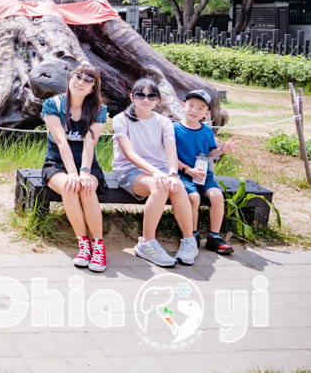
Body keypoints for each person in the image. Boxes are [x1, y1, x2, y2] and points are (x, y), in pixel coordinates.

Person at [112, 78, 197, 267]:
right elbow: (129, 153)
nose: (146, 99)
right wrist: (155, 173)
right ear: (132, 97)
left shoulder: (164, 122)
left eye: (151, 95)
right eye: (140, 94)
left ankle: (189, 241)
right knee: (159, 186)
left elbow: (170, 150)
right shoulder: (121, 120)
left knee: (177, 185)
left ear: (158, 100)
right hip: (130, 170)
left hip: (160, 170)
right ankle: (146, 243)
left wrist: (173, 173)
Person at [41, 64, 109, 272]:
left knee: (86, 187)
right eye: (77, 77)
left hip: (88, 165)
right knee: (71, 186)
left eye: (88, 80)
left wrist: (85, 172)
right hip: (57, 165)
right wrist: (72, 173)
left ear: (93, 88)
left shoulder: (99, 110)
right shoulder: (53, 105)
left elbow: (90, 143)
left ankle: (98, 245)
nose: (81, 82)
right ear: (70, 78)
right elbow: (61, 142)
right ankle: (83, 244)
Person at [174, 89, 239, 254]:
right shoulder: (174, 129)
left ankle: (214, 236)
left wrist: (222, 149)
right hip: (183, 175)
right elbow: (169, 156)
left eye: (200, 108)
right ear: (183, 106)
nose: (194, 110)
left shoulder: (206, 131)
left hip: (204, 175)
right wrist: (188, 170)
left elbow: (210, 153)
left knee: (217, 195)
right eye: (191, 105)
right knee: (193, 197)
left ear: (207, 113)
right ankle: (193, 233)